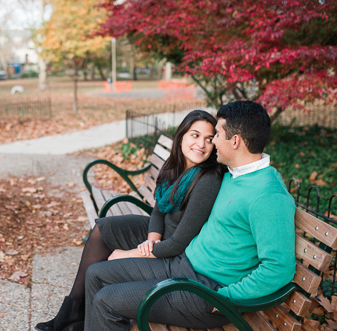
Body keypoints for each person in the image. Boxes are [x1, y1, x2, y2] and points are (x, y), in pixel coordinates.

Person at [83, 100, 296, 331]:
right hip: (183, 265)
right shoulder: (233, 175)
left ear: (234, 141)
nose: (212, 140)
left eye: (216, 134)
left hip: (206, 291)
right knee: (95, 274)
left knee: (107, 300)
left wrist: (225, 297)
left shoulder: (268, 196)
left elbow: (278, 268)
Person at [37, 110, 226, 331]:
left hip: (176, 251)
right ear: (182, 136)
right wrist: (151, 240)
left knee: (102, 267)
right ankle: (72, 314)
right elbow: (158, 212)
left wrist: (129, 254)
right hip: (161, 235)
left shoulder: (207, 180)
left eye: (209, 139)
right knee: (102, 229)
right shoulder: (177, 165)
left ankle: (83, 320)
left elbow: (179, 244)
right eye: (195, 135)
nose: (201, 144)